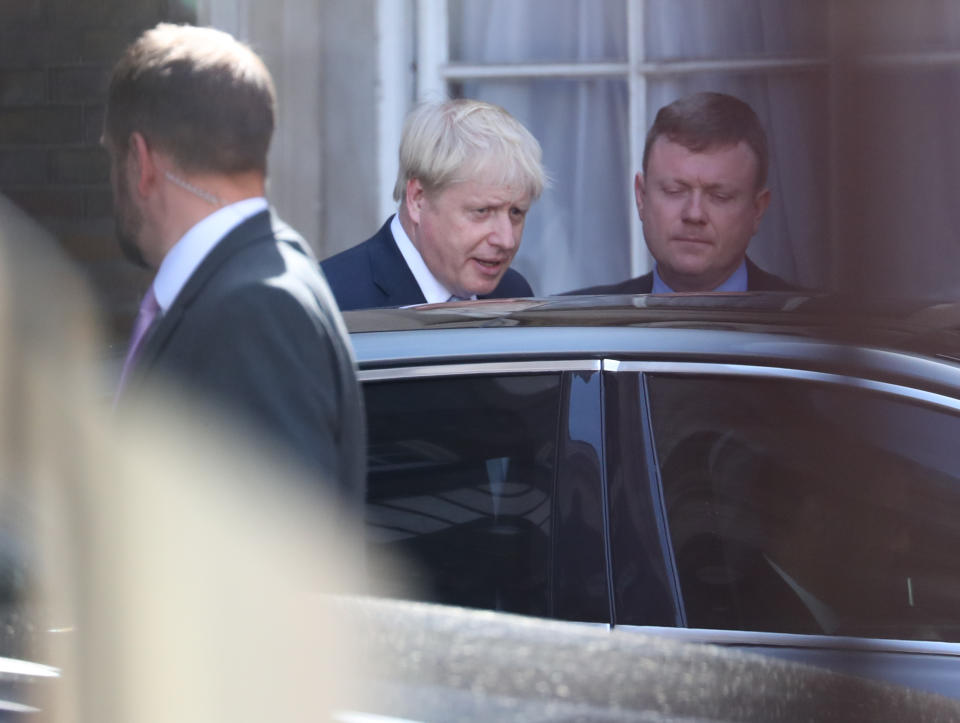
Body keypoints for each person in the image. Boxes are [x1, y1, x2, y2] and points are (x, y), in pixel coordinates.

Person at [103, 23, 365, 510]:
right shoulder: (255, 280)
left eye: (111, 154)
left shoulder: (256, 308)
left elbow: (276, 561)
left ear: (140, 160)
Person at [321, 98, 546, 310]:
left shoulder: (512, 294)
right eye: (482, 211)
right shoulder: (330, 302)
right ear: (418, 199)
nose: (506, 240)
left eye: (516, 212)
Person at [568, 91, 795, 295]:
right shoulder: (572, 331)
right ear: (641, 196)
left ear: (757, 210)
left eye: (720, 196)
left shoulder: (814, 327)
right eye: (674, 191)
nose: (694, 214)